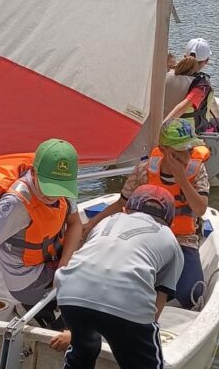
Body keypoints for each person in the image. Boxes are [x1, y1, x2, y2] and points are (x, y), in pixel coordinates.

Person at [47, 185, 184, 369]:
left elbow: (94, 272)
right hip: (127, 304)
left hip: (71, 292)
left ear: (128, 208)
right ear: (167, 220)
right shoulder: (170, 240)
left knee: (82, 353)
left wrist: (82, 328)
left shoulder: (108, 221)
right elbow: (154, 309)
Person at [0, 138, 83, 333]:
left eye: (60, 189)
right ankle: (39, 309)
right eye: (49, 188)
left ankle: (46, 307)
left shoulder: (65, 188)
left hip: (51, 260)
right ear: (35, 173)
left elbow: (75, 224)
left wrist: (64, 265)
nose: (53, 196)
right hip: (27, 279)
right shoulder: (15, 205)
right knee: (89, 292)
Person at [83, 119, 209, 309]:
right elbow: (121, 204)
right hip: (144, 238)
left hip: (182, 240)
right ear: (165, 149)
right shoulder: (144, 171)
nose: (187, 155)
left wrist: (182, 179)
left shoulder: (197, 171)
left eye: (190, 149)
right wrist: (90, 225)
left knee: (192, 292)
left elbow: (200, 209)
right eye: (181, 150)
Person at [163, 37, 219, 136]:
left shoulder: (166, 75)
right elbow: (181, 108)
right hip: (185, 131)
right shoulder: (201, 85)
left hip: (162, 119)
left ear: (184, 56)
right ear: (206, 61)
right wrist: (163, 128)